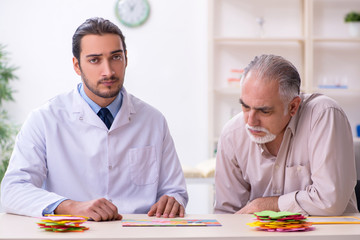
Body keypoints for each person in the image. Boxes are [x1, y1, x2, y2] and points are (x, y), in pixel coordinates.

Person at [1, 17, 188, 221]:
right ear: (77, 66)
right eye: (94, 60)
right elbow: (12, 191)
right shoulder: (45, 119)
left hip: (136, 232)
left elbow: (175, 191)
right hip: (74, 232)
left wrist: (172, 199)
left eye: (115, 57)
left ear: (126, 58)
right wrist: (70, 206)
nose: (108, 71)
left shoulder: (153, 121)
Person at [214, 54, 358, 215]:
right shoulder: (232, 134)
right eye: (246, 107)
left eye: (264, 111)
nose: (251, 121)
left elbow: (330, 201)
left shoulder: (324, 115)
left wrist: (267, 205)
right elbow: (226, 214)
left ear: (293, 107)